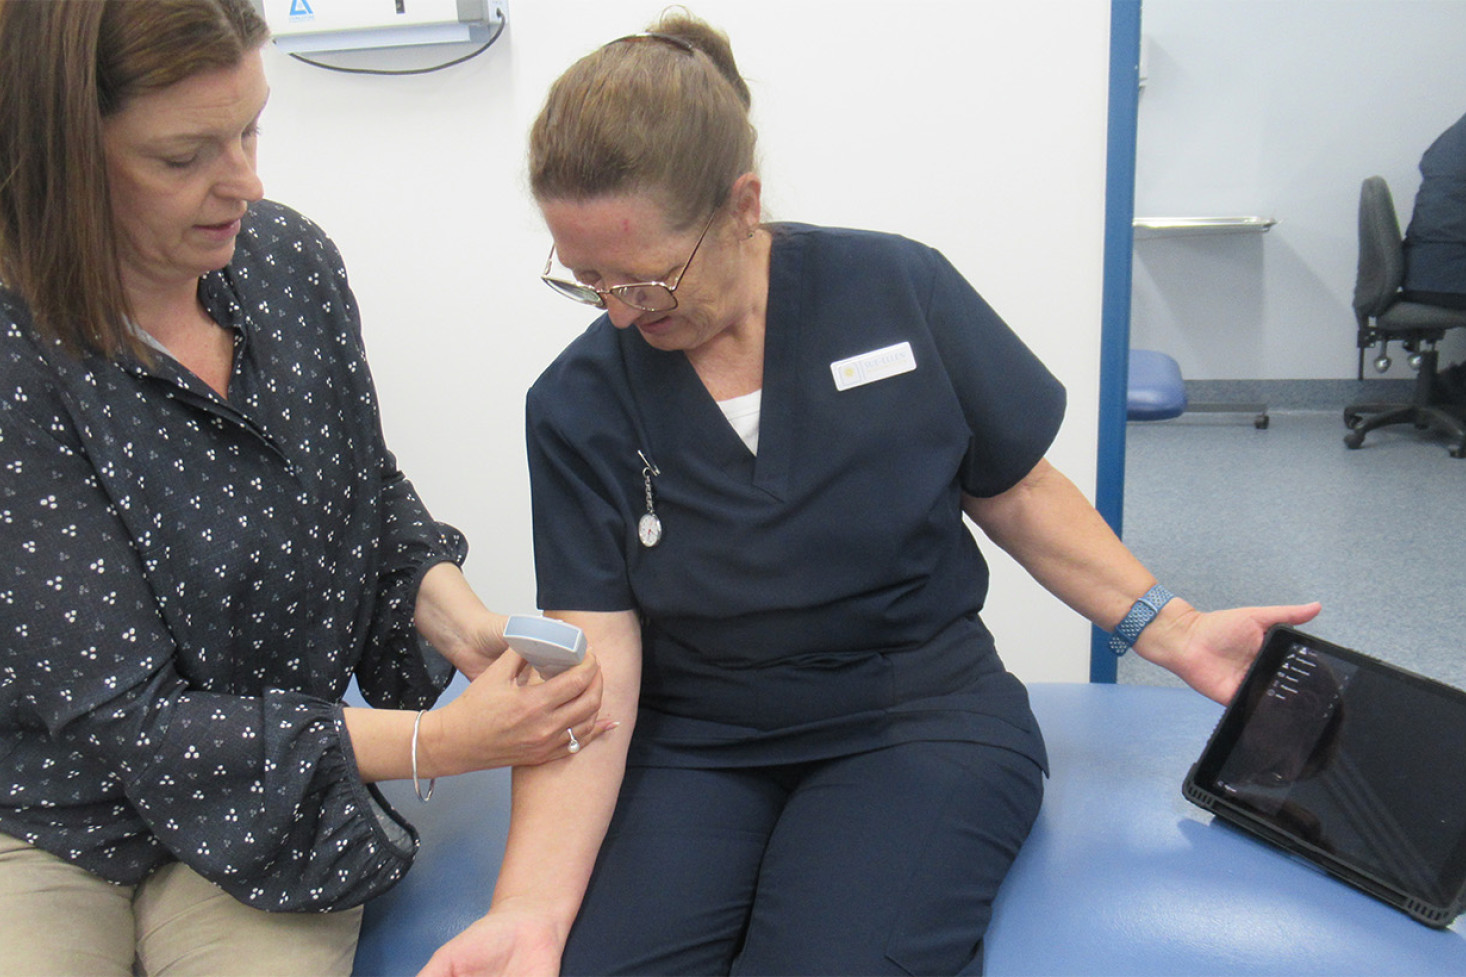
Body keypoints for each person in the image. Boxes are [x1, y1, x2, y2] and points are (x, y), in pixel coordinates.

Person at [422, 13, 1321, 977]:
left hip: (915, 715)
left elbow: (1014, 487)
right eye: (586, 279)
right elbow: (600, 656)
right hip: (693, 740)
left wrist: (1173, 628)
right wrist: (529, 910)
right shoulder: (576, 402)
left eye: (647, 279)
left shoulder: (895, 288)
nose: (619, 311)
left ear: (741, 206)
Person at [0, 2, 608, 974]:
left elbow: (361, 490)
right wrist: (437, 741)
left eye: (250, 128)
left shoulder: (285, 263)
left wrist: (461, 624)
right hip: (53, 815)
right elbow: (126, 721)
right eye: (183, 156)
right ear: (66, 158)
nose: (243, 181)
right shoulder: (15, 354)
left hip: (273, 808)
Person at [1401, 109, 1466, 404]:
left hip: (1425, 271)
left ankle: (1453, 387)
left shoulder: (1453, 136)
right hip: (1449, 275)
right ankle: (1455, 387)